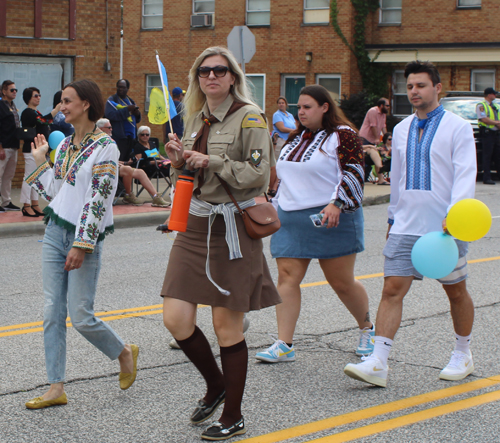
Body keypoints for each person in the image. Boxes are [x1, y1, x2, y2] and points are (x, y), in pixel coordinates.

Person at [162, 46, 281, 441]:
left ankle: (233, 415)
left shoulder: (250, 116)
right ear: (197, 78)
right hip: (196, 228)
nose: (211, 77)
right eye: (204, 71)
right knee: (176, 318)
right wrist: (179, 158)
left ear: (232, 77)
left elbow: (258, 175)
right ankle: (216, 385)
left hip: (232, 229)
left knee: (226, 326)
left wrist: (208, 162)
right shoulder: (195, 116)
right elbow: (190, 170)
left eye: (220, 70)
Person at [344, 60, 477, 388]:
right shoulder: (401, 129)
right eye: (410, 86)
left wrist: (456, 214)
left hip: (445, 226)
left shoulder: (457, 127)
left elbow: (465, 173)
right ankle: (378, 362)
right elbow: (399, 179)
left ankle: (463, 353)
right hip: (406, 223)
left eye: (421, 85)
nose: (414, 91)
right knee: (391, 289)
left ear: (437, 88)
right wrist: (392, 217)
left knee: (456, 292)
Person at [24, 79, 139, 409]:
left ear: (86, 104)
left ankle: (123, 351)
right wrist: (38, 160)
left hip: (81, 239)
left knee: (81, 316)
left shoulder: (106, 147)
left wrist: (82, 243)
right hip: (53, 234)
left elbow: (98, 198)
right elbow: (55, 193)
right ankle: (56, 386)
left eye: (67, 101)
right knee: (51, 312)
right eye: (61, 101)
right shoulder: (66, 147)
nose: (62, 106)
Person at [255, 84, 374, 365]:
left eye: (307, 107)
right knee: (287, 277)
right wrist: (272, 200)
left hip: (332, 216)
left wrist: (337, 203)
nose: (301, 112)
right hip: (291, 218)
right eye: (299, 107)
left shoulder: (343, 136)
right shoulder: (296, 138)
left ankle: (367, 329)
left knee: (341, 282)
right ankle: (284, 344)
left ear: (325, 107)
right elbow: (285, 175)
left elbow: (355, 171)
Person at [96, 118, 169, 207]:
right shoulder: (98, 141)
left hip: (115, 165)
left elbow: (113, 158)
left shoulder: (109, 139)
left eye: (147, 134)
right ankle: (128, 195)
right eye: (109, 127)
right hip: (103, 168)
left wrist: (125, 162)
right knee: (127, 169)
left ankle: (156, 197)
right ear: (101, 128)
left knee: (140, 172)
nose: (111, 129)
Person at [20, 87, 61, 217]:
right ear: (28, 98)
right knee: (29, 176)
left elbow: (43, 121)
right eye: (35, 95)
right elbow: (43, 121)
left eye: (39, 95)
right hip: (31, 148)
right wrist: (55, 111)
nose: (38, 97)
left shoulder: (36, 111)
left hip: (38, 149)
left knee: (36, 176)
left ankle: (35, 203)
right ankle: (26, 205)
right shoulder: (28, 112)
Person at [105, 79, 141, 162]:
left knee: (128, 161)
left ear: (127, 89)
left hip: (131, 137)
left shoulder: (130, 100)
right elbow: (110, 115)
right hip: (119, 137)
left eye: (123, 87)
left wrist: (137, 113)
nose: (120, 89)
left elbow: (137, 119)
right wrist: (127, 110)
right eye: (119, 87)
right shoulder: (112, 100)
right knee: (119, 160)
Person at [268, 96, 297, 197]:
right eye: (279, 103)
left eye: (283, 103)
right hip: (280, 141)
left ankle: (278, 187)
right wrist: (294, 131)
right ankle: (271, 188)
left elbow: (295, 126)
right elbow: (282, 128)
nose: (281, 104)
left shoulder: (290, 115)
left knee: (284, 164)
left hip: (290, 141)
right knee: (276, 165)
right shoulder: (277, 115)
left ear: (286, 104)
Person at [0, 80, 21, 213]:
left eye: (15, 90)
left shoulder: (13, 106)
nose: (14, 92)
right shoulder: (1, 105)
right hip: (4, 146)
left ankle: (6, 201)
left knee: (8, 176)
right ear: (4, 91)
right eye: (11, 90)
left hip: (13, 145)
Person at [476, 87, 500, 185]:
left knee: (497, 155)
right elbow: (483, 119)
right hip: (487, 133)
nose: (495, 95)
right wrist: (497, 123)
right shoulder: (481, 105)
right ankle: (486, 178)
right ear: (489, 95)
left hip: (496, 134)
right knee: (487, 156)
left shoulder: (495, 106)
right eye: (494, 94)